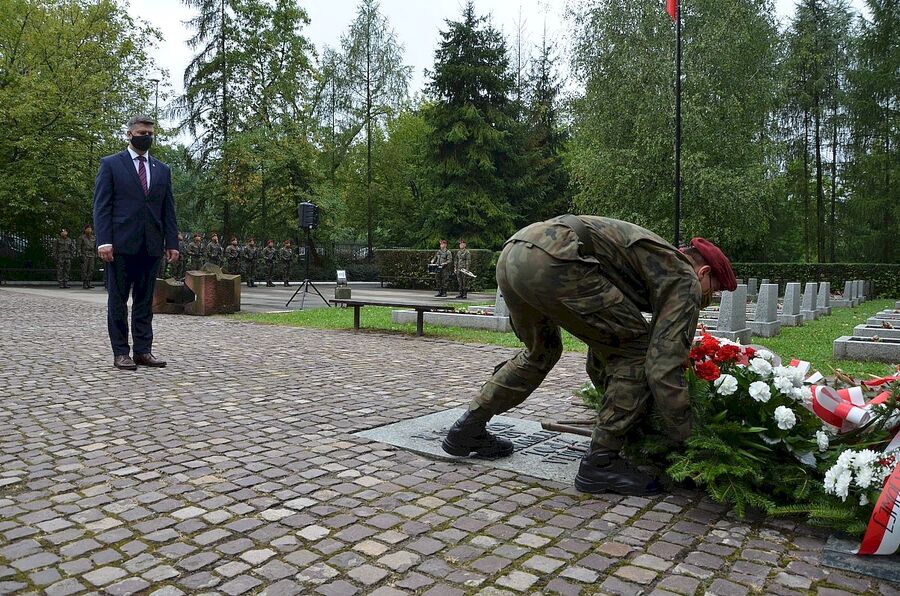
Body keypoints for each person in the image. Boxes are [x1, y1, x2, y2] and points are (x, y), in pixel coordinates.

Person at [440, 215, 736, 496]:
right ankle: (601, 462)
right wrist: (690, 439)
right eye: (714, 291)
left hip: (516, 250)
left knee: (540, 352)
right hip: (558, 258)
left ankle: (467, 429)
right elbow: (662, 366)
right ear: (704, 272)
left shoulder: (654, 261)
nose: (708, 300)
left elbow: (603, 345)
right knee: (636, 350)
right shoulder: (684, 277)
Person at [93, 114, 179, 371]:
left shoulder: (161, 169)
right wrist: (104, 241)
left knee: (144, 302)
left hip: (150, 246)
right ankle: (121, 352)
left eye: (150, 133)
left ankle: (143, 350)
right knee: (118, 301)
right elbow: (101, 206)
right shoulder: (111, 165)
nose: (147, 137)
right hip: (119, 246)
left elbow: (168, 209)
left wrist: (171, 242)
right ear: (130, 134)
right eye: (142, 133)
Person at [79, 225, 97, 289]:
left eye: (90, 229)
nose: (89, 230)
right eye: (88, 229)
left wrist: (96, 254)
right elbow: (79, 247)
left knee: (91, 269)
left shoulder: (93, 237)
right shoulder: (82, 237)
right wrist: (80, 255)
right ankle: (85, 283)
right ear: (85, 230)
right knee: (84, 269)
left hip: (92, 254)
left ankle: (89, 282)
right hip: (85, 254)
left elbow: (95, 247)